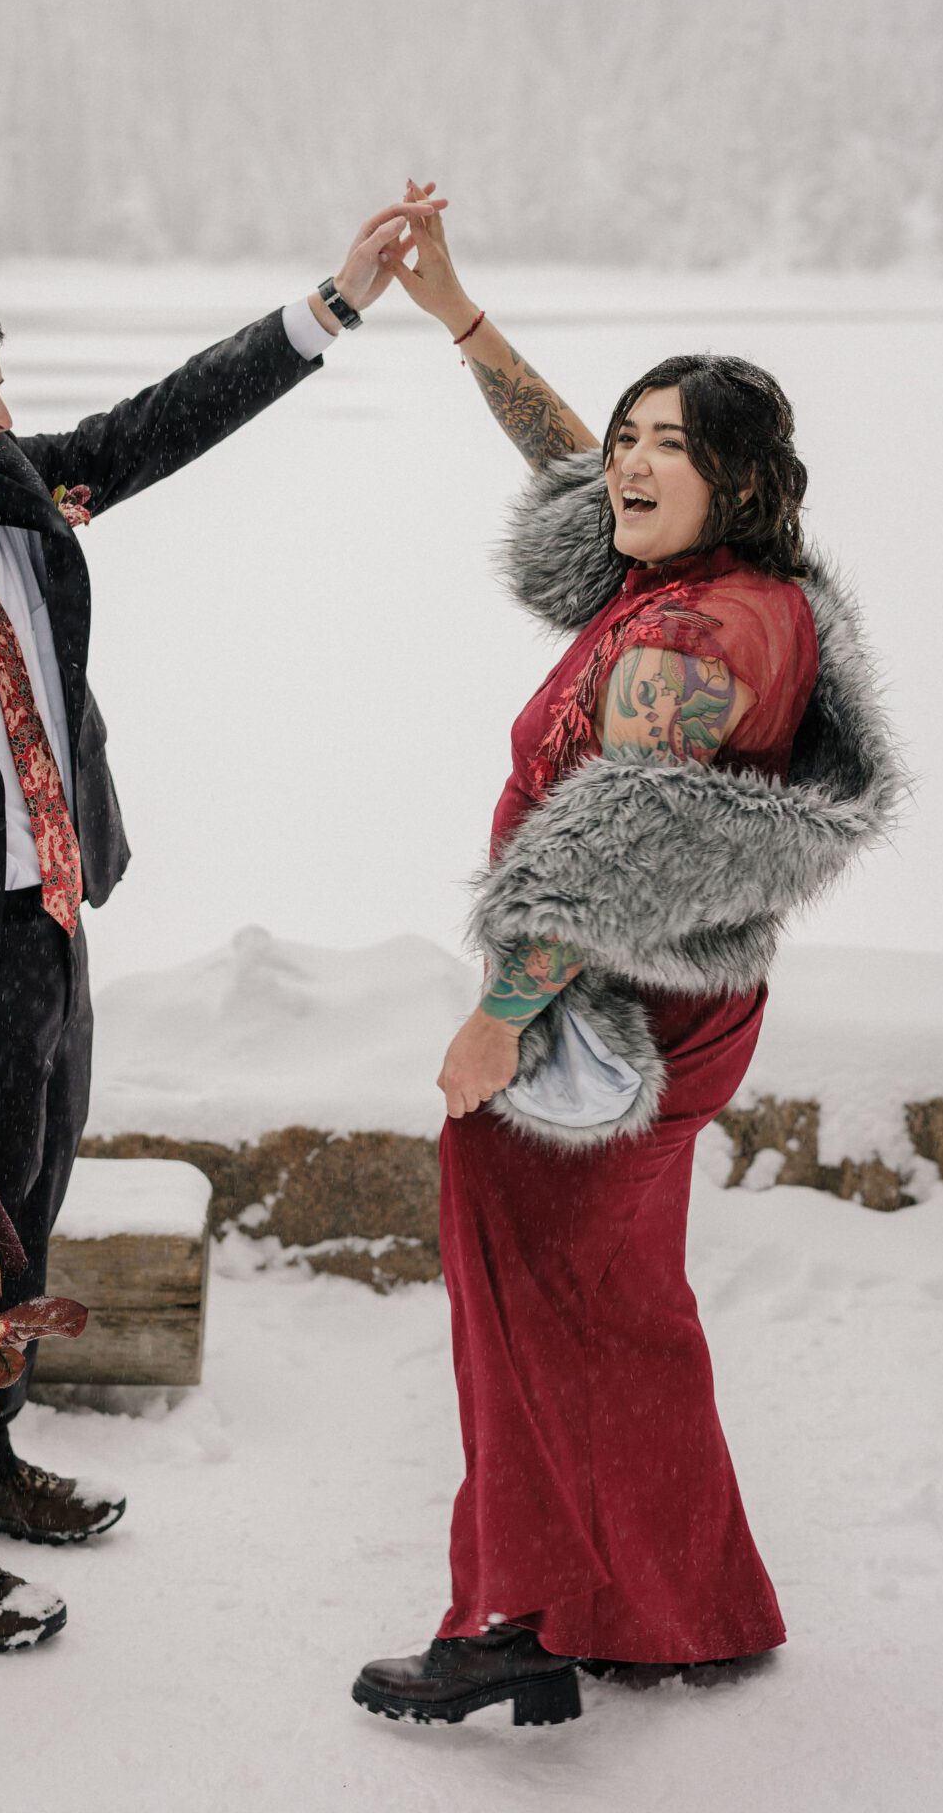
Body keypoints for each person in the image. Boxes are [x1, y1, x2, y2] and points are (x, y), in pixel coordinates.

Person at [0, 197, 444, 1654]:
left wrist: (339, 297)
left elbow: (154, 428)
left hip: (47, 929)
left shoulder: (7, 497)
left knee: (28, 1222)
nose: (5, 414)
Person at [351, 186, 902, 1730]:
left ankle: (509, 1620)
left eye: (670, 443)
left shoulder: (688, 640)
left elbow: (612, 843)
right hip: (683, 999)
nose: (630, 461)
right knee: (619, 1308)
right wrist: (457, 313)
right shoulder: (735, 592)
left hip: (596, 1008)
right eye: (629, 434)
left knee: (524, 1306)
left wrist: (497, 1019)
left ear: (736, 477)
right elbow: (560, 467)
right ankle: (672, 1609)